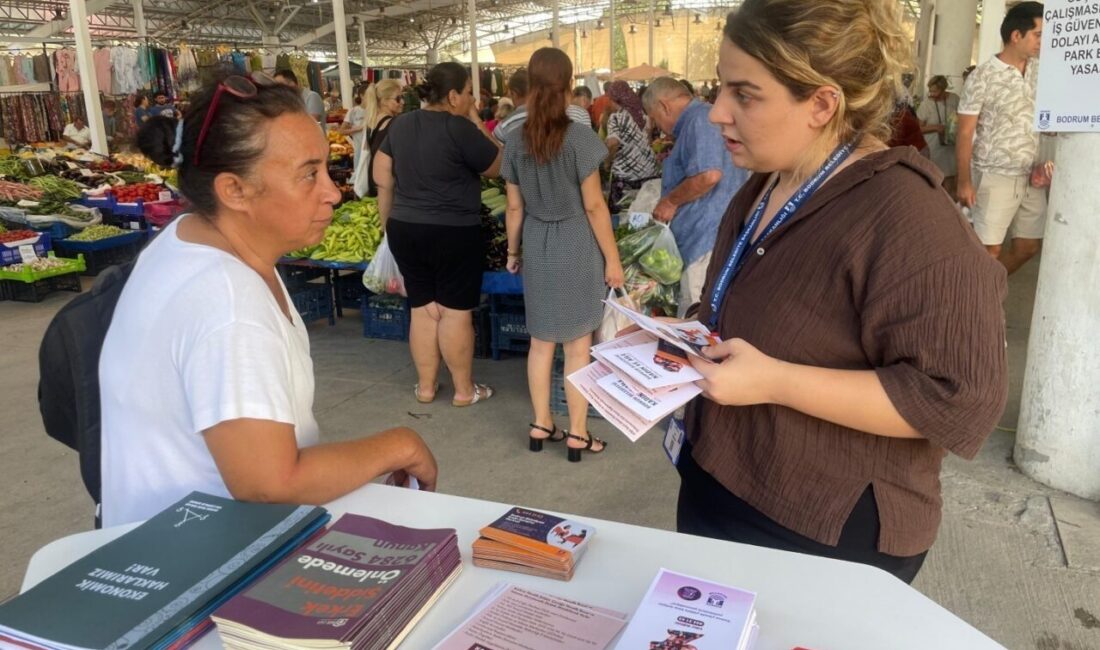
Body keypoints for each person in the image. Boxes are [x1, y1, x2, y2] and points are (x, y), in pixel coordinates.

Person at [676, 0, 1007, 584]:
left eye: (744, 94)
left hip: (819, 529)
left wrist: (774, 381)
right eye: (719, 88)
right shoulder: (763, 187)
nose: (716, 114)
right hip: (721, 478)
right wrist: (671, 340)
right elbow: (743, 316)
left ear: (823, 103)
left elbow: (958, 397)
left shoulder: (907, 216)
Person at [101, 73, 438, 527]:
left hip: (167, 543)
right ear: (233, 190)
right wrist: (401, 444)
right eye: (308, 174)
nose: (332, 193)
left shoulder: (187, 238)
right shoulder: (229, 302)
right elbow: (269, 483)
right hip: (201, 566)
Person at [501, 48, 622, 462]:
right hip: (576, 242)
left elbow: (513, 207)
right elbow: (594, 207)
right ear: (569, 84)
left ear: (529, 86)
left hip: (537, 240)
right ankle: (578, 433)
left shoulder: (515, 140)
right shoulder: (581, 139)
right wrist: (613, 259)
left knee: (540, 344)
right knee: (577, 346)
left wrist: (513, 251)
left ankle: (540, 423)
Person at [373, 62, 502, 407]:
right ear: (453, 95)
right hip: (453, 231)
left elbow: (382, 176)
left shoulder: (400, 124)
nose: (472, 99)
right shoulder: (459, 128)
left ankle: (426, 387)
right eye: (469, 93)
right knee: (454, 311)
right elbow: (498, 165)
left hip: (405, 229)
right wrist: (476, 120)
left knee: (423, 308)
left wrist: (388, 225)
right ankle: (463, 390)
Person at [642, 77, 750, 316]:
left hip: (705, 241)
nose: (658, 125)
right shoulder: (700, 120)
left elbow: (709, 175)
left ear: (664, 106)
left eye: (655, 117)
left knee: (694, 320)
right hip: (709, 237)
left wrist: (670, 201)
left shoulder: (699, 119)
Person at [956, 1, 1045, 275]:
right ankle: (972, 305)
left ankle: (990, 290)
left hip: (1031, 176)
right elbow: (965, 131)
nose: (1043, 42)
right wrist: (964, 181)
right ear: (1016, 35)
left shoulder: (1039, 72)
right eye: (1038, 35)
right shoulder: (983, 76)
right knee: (988, 251)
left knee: (1028, 246)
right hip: (994, 175)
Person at [604, 80, 662, 212]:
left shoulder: (616, 118)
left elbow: (613, 143)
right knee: (643, 212)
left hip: (626, 177)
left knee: (621, 214)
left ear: (614, 99)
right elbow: (647, 140)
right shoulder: (642, 115)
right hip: (649, 172)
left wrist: (607, 162)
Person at [916, 75, 960, 194]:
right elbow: (918, 128)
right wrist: (936, 127)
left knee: (950, 179)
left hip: (950, 147)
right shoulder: (926, 104)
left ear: (943, 89)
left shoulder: (954, 99)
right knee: (934, 179)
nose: (931, 94)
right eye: (930, 90)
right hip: (933, 148)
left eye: (935, 91)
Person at [363, 79, 403, 197]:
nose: (402, 102)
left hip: (373, 179)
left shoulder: (371, 121)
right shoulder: (394, 123)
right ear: (384, 101)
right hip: (387, 184)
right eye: (398, 98)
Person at [339, 84, 368, 171]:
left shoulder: (376, 111)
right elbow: (341, 131)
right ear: (362, 95)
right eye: (369, 94)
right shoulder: (353, 111)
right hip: (359, 154)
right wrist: (358, 128)